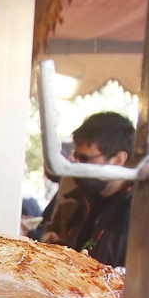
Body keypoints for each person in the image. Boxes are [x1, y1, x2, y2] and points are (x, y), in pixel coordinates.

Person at [35, 111, 137, 267]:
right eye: (75, 156)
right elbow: (52, 233)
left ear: (118, 159)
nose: (77, 165)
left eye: (84, 159)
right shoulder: (75, 193)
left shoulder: (137, 213)